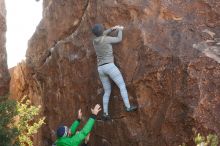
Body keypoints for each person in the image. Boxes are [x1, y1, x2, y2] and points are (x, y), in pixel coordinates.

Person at [92, 24, 138, 121]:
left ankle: (105, 113)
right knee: (122, 85)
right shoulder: (107, 39)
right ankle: (128, 106)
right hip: (110, 66)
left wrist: (112, 29)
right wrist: (120, 29)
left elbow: (102, 34)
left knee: (107, 91)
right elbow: (118, 39)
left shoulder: (94, 41)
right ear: (102, 31)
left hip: (100, 68)